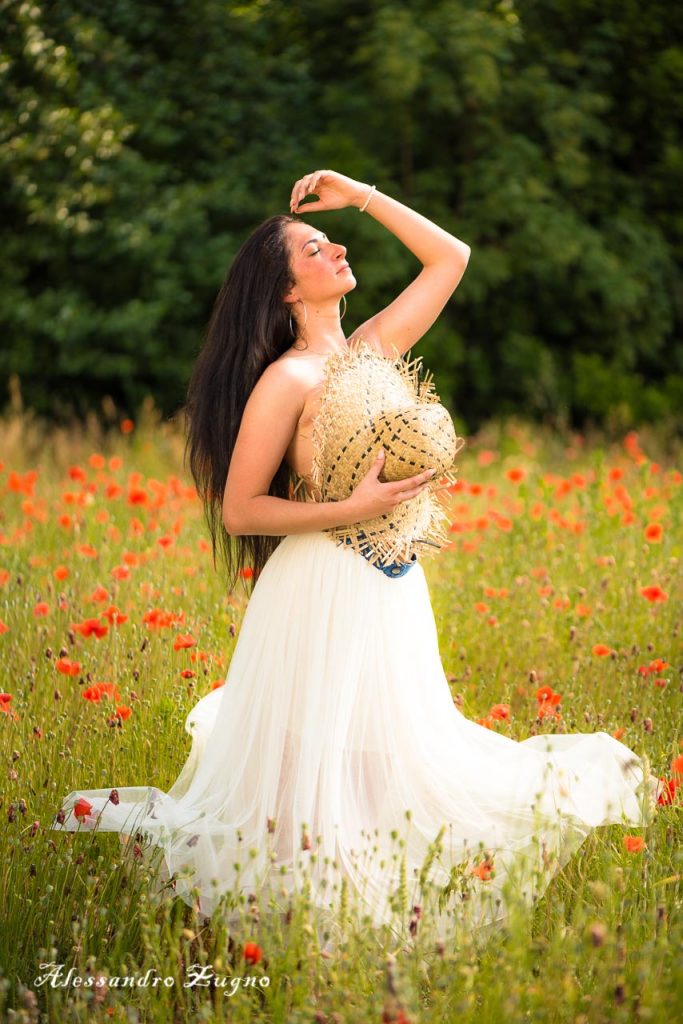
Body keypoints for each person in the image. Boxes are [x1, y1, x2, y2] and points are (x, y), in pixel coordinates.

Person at [52, 170, 661, 950]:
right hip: (323, 580)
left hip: (394, 583)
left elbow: (451, 258)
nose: (336, 247)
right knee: (313, 755)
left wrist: (359, 195)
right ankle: (281, 915)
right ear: (283, 291)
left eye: (328, 239)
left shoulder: (372, 350)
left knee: (387, 751)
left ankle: (367, 898)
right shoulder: (287, 379)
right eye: (314, 247)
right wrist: (352, 510)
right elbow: (242, 509)